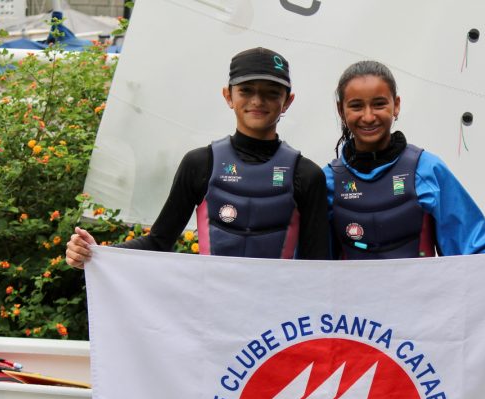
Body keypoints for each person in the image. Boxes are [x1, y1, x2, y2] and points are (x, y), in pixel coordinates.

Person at [66, 47, 329, 268]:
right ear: (228, 96)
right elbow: (158, 242)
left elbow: (318, 266)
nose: (258, 100)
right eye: (246, 90)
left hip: (279, 322)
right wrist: (96, 253)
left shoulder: (306, 175)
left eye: (272, 92)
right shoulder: (200, 164)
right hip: (212, 313)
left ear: (287, 101)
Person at [323, 60, 485, 260]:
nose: (368, 117)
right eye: (356, 106)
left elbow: (477, 248)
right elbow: (311, 265)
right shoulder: (328, 181)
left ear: (396, 106)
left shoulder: (427, 169)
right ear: (341, 111)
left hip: (424, 292)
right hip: (352, 292)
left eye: (379, 104)